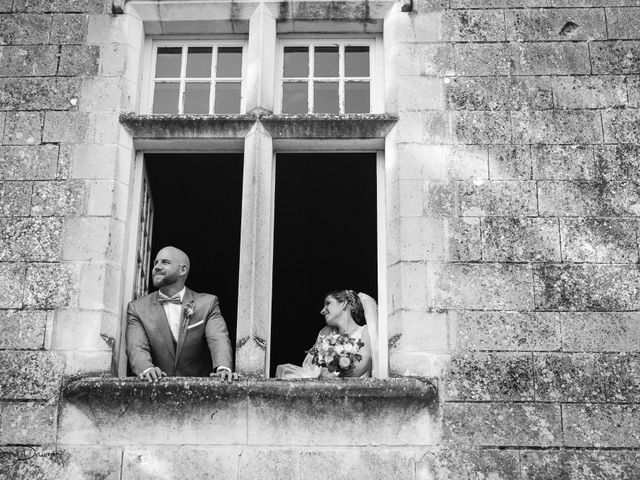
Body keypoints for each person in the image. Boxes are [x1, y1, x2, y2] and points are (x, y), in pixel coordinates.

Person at [126, 246, 236, 382]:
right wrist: (146, 369)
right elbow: (136, 346)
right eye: (156, 262)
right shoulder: (137, 308)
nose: (157, 267)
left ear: (182, 270)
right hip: (155, 389)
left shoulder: (207, 303)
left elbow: (218, 338)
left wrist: (223, 368)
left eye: (165, 262)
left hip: (200, 393)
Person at [276, 290, 378, 379]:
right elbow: (312, 368)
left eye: (328, 303)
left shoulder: (366, 330)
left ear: (343, 303)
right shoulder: (325, 334)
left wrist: (336, 376)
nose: (322, 311)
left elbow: (363, 362)